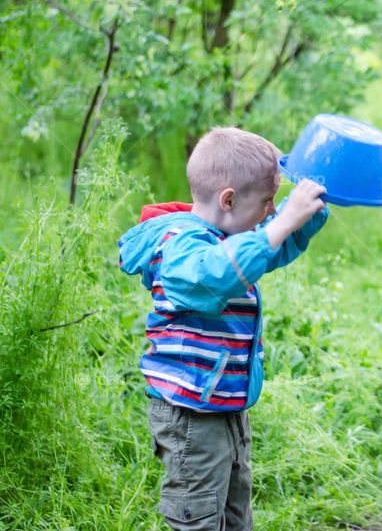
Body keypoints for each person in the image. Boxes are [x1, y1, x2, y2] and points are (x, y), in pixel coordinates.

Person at [118, 127, 328, 530]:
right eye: (267, 203)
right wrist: (277, 224)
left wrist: (306, 211)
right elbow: (212, 275)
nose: (271, 211)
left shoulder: (229, 236)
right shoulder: (183, 245)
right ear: (228, 199)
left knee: (234, 514)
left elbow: (269, 248)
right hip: (190, 414)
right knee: (198, 516)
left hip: (223, 406)